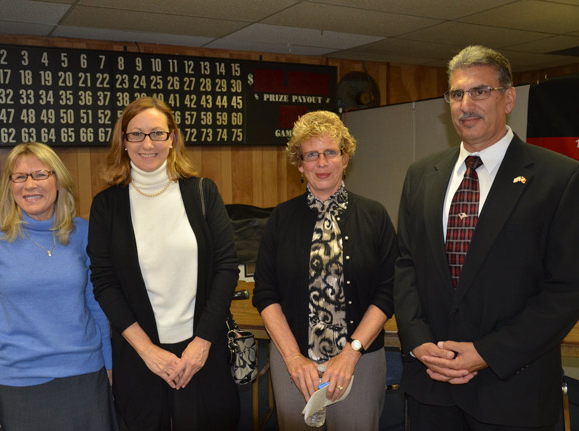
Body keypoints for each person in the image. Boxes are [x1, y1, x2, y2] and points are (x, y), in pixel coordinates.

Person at [394, 45, 579, 430]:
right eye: (457, 94)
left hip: (512, 390)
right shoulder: (421, 175)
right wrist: (418, 341)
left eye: (480, 91)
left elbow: (567, 289)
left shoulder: (559, 178)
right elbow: (406, 265)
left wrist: (486, 353)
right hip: (432, 387)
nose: (466, 104)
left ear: (508, 98)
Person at [87, 96, 240, 430]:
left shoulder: (203, 192)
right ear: (123, 142)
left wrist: (201, 344)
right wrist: (148, 351)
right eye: (136, 134)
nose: (147, 143)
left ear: (172, 138)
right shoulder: (106, 206)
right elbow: (104, 282)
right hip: (140, 355)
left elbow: (227, 268)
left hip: (202, 352)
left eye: (157, 133)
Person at [253, 110, 397, 430]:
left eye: (331, 152)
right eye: (312, 155)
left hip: (358, 363)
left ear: (345, 159)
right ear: (300, 164)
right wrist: (292, 358)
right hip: (295, 365)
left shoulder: (374, 216)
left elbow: (387, 291)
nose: (322, 163)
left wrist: (351, 352)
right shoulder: (280, 219)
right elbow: (265, 293)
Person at [0, 142, 116, 431]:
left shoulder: (83, 232)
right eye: (19, 177)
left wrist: (108, 365)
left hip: (84, 375)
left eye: (40, 174)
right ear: (9, 186)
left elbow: (96, 306)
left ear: (58, 181)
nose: (29, 184)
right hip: (18, 382)